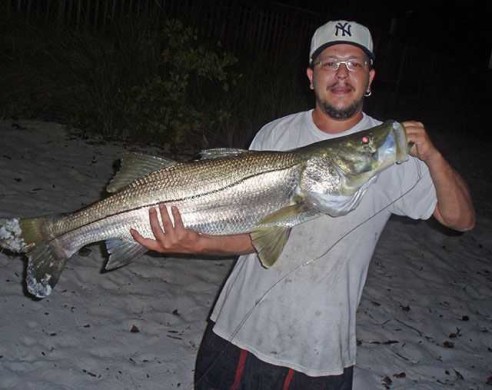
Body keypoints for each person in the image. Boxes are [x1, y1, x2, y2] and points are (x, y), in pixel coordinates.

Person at [130, 20, 475, 390]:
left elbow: (460, 220)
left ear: (370, 77)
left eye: (354, 63)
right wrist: (197, 244)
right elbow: (257, 235)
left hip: (320, 352)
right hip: (239, 330)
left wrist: (435, 158)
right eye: (330, 63)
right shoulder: (276, 133)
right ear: (311, 76)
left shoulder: (387, 149)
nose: (342, 74)